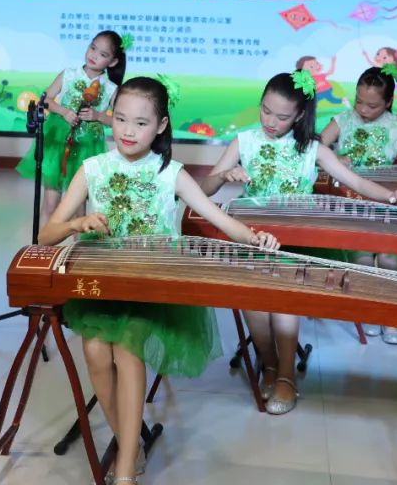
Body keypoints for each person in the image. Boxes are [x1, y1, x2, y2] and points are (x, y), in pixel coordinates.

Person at [38, 76, 280, 484]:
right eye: (120, 119)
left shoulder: (171, 173)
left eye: (141, 123)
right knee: (95, 352)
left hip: (149, 287)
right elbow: (47, 235)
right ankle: (129, 443)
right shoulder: (94, 168)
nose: (128, 131)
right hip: (102, 284)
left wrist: (256, 238)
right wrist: (78, 223)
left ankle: (125, 469)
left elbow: (220, 219)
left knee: (127, 349)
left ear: (162, 125)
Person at [199, 71, 397, 413]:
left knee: (284, 302)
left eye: (282, 116)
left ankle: (286, 376)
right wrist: (223, 175)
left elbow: (355, 182)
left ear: (299, 115)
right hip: (252, 238)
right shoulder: (244, 141)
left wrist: (391, 195)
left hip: (293, 242)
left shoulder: (312, 148)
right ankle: (269, 366)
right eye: (265, 110)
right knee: (254, 305)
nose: (270, 121)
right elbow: (204, 190)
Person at [319, 64, 397, 344]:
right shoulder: (342, 120)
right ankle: (368, 310)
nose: (362, 109)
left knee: (389, 258)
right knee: (362, 258)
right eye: (358, 101)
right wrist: (333, 158)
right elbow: (313, 150)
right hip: (350, 202)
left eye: (372, 105)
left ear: (388, 102)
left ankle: (390, 315)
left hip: (386, 202)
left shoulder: (396, 127)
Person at [17, 30, 125, 226]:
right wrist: (64, 111)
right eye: (93, 48)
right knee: (50, 205)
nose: (94, 55)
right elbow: (45, 99)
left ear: (113, 62)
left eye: (103, 54)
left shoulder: (110, 88)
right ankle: (44, 243)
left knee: (78, 210)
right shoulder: (68, 74)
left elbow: (121, 120)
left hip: (86, 148)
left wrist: (98, 116)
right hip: (58, 142)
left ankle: (77, 246)